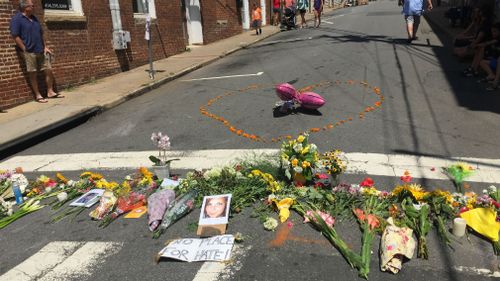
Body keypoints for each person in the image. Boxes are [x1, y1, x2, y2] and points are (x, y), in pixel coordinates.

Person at [10, 0, 64, 103]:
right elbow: (15, 36)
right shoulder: (17, 19)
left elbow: (40, 33)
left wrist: (45, 47)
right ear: (25, 7)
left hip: (40, 49)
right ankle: (38, 95)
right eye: (32, 5)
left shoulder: (34, 18)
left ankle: (50, 92)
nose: (34, 7)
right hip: (29, 51)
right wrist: (24, 49)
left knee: (48, 69)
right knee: (33, 73)